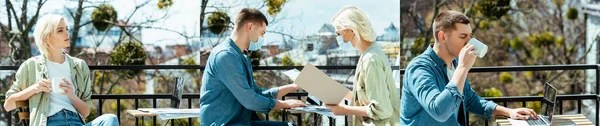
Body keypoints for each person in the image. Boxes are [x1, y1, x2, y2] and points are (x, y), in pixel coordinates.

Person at [400, 10, 537, 125]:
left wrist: (509, 112)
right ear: (442, 36)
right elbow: (439, 112)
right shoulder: (419, 69)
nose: (469, 42)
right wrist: (463, 68)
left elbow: (470, 100)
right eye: (463, 36)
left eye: (470, 36)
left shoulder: (455, 63)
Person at [3, 14, 119, 126]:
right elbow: (8, 105)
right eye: (60, 30)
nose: (67, 33)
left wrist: (72, 95)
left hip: (76, 122)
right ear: (46, 37)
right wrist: (34, 88)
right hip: (49, 122)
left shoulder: (79, 66)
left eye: (67, 29)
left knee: (110, 119)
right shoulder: (30, 66)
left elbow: (85, 112)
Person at [199, 8, 305, 126]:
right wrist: (284, 104)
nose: (262, 39)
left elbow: (256, 93)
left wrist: (293, 87)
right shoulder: (225, 55)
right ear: (250, 27)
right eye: (262, 33)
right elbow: (250, 100)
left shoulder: (241, 55)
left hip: (241, 121)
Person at [325, 6, 400, 126]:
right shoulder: (368, 55)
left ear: (351, 29)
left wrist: (343, 110)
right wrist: (339, 92)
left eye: (339, 33)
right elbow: (368, 97)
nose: (338, 38)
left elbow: (382, 109)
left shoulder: (371, 59)